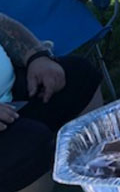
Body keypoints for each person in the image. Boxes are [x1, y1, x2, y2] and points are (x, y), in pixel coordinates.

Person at [0, 13, 102, 192]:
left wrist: (36, 56)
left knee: (80, 76)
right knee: (27, 145)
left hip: (10, 94)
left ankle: (97, 174)